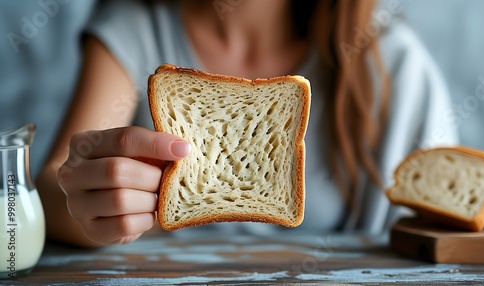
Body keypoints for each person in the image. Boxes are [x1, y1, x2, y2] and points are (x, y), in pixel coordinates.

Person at [35, 0, 457, 247]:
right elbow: (53, 184)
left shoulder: (389, 63)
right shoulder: (137, 26)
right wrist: (89, 205)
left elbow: (433, 234)